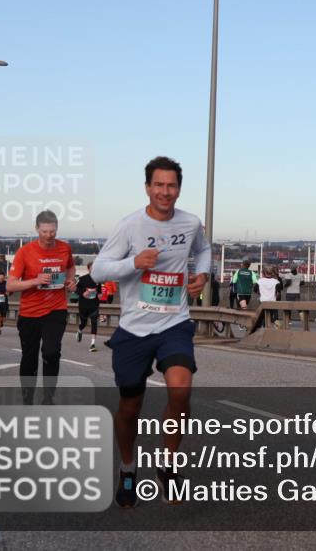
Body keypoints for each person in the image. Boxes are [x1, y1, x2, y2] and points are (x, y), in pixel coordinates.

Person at [91, 156, 210, 508]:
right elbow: (98, 270)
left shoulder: (191, 223)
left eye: (171, 185)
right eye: (158, 185)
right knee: (130, 407)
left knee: (181, 390)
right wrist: (133, 262)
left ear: (179, 189)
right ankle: (128, 468)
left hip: (174, 322)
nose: (165, 192)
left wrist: (202, 275)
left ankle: (168, 467)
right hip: (134, 328)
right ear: (147, 188)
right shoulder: (130, 226)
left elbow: (203, 250)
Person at [6, 211, 77, 402]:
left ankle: (48, 397)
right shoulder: (25, 252)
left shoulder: (64, 248)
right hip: (30, 312)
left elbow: (70, 267)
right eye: (44, 231)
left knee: (52, 352)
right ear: (37, 229)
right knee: (29, 358)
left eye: (52, 231)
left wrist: (71, 280)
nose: (48, 235)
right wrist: (34, 281)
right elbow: (10, 285)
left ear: (57, 229)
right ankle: (27, 398)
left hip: (56, 309)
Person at [75, 269, 103, 352]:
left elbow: (99, 291)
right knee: (84, 323)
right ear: (88, 269)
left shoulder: (98, 279)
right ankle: (79, 330)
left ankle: (92, 344)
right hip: (84, 305)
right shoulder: (82, 278)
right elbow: (75, 290)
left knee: (94, 323)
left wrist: (99, 295)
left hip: (94, 305)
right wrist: (83, 293)